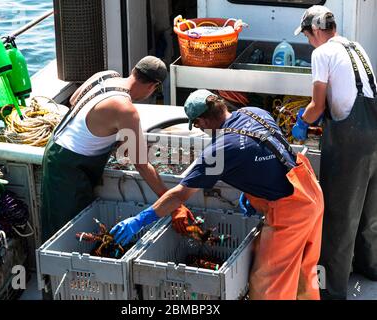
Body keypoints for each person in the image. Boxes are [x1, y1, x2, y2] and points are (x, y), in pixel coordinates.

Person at [111, 89, 324, 300]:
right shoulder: (254, 112)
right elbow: (266, 151)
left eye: (197, 125)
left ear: (201, 122)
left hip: (290, 211)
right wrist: (251, 191)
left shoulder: (219, 151)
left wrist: (140, 220)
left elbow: (179, 195)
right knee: (305, 271)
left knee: (267, 284)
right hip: (310, 190)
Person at [40, 56, 192, 242]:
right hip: (68, 168)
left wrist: (109, 132)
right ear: (153, 86)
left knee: (61, 223)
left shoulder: (106, 75)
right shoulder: (126, 110)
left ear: (135, 70)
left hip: (55, 148)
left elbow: (73, 100)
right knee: (68, 234)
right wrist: (174, 203)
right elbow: (142, 164)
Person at [292, 5, 377, 299]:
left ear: (315, 30)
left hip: (351, 143)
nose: (308, 42)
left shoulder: (322, 53)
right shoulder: (356, 47)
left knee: (339, 216)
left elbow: (316, 107)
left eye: (306, 36)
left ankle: (332, 289)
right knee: (369, 210)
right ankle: (369, 267)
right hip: (374, 135)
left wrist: (301, 122)